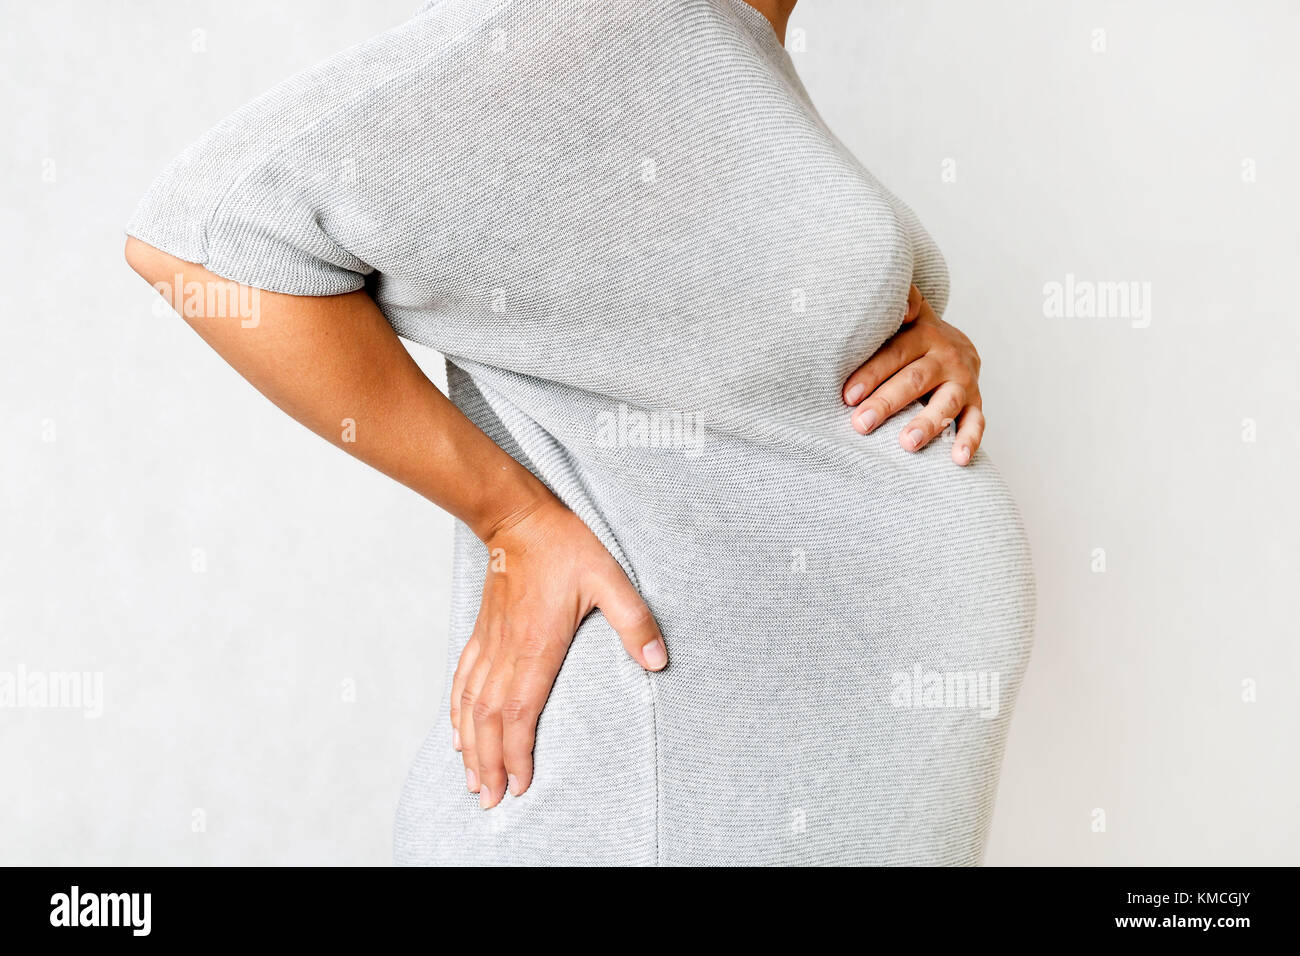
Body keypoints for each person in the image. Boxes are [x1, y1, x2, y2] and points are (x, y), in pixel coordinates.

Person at [124, 0, 1034, 865]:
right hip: (659, 791)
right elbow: (204, 234)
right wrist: (510, 519)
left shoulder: (732, 44)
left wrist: (915, 337)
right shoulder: (600, 20)